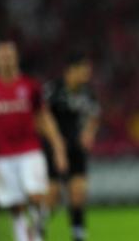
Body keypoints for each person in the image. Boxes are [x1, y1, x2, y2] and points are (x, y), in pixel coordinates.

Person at [0, 39, 67, 241]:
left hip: (30, 150)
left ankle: (35, 232)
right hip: (2, 154)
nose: (6, 60)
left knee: (36, 195)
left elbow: (44, 117)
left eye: (9, 56)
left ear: (16, 58)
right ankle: (23, 235)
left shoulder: (30, 86)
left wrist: (58, 145)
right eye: (2, 57)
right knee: (15, 203)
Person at [42, 53, 100, 241]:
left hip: (76, 149)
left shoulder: (87, 93)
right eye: (83, 70)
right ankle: (36, 228)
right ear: (71, 70)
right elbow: (42, 116)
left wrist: (89, 133)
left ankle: (78, 236)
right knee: (53, 196)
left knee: (78, 193)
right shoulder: (53, 90)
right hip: (53, 148)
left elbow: (95, 115)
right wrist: (57, 144)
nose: (87, 75)